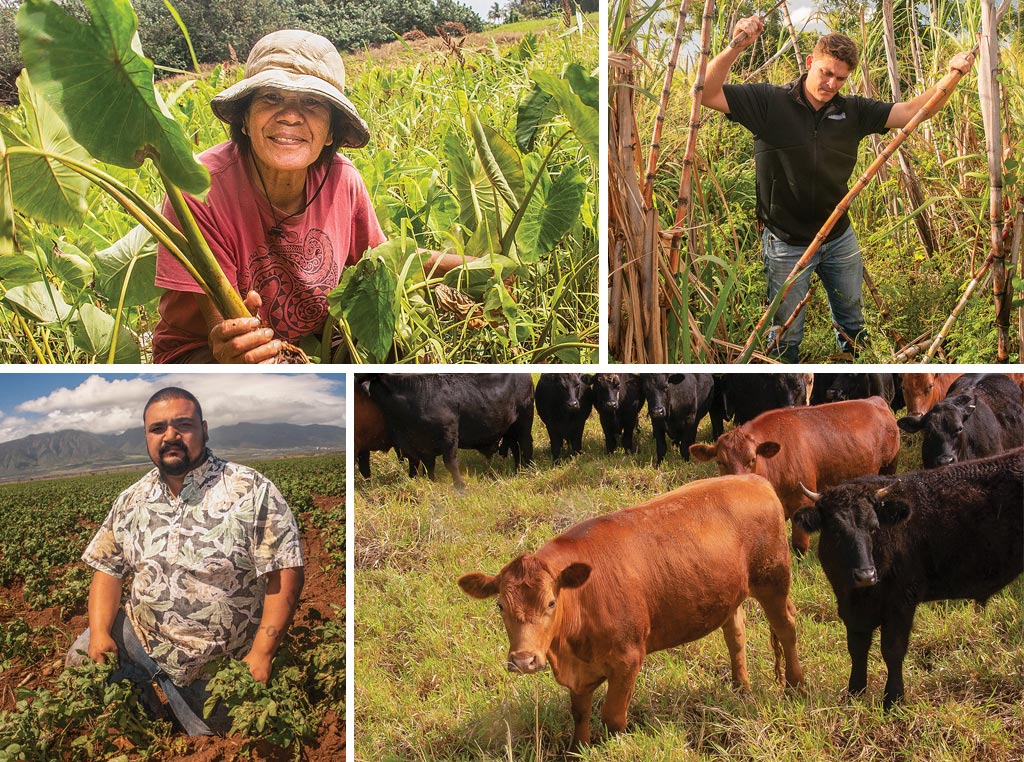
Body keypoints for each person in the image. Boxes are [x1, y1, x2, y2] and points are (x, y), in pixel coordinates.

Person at [152, 30, 467, 363]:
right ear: (244, 119)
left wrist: (479, 269)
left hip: (315, 343)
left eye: (312, 102)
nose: (290, 115)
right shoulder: (200, 188)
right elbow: (230, 336)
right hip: (209, 355)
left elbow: (386, 260)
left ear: (331, 131)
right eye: (271, 97)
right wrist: (238, 350)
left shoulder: (343, 180)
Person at [701, 18, 974, 362]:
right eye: (826, 73)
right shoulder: (769, 101)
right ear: (811, 62)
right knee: (786, 335)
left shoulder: (853, 111)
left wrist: (952, 76)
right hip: (786, 242)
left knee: (853, 325)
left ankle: (857, 371)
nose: (831, 84)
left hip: (838, 237)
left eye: (840, 78)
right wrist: (736, 46)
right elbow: (706, 93)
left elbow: (911, 113)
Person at [65, 387, 304, 736]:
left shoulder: (250, 488)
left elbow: (285, 570)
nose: (170, 436)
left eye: (183, 425)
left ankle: (184, 718)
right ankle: (149, 717)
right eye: (158, 428)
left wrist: (263, 653)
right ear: (146, 437)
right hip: (141, 637)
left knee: (219, 738)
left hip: (215, 664)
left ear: (204, 430)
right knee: (83, 660)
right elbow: (108, 569)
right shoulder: (132, 499)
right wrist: (101, 633)